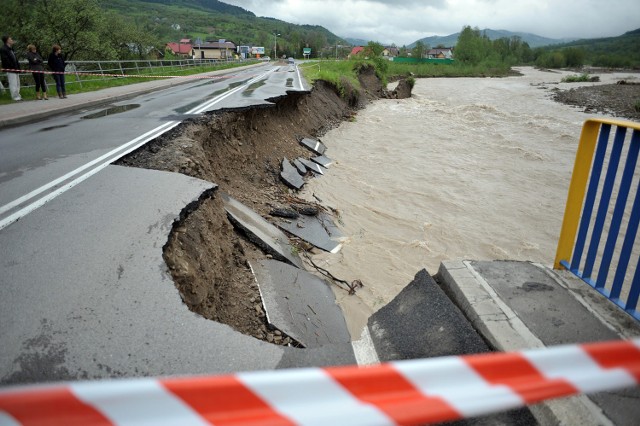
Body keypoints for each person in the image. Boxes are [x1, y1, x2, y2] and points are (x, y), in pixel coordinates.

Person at [0, 35, 22, 101]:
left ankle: (18, 96)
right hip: (10, 69)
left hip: (16, 68)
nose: (12, 40)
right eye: (10, 39)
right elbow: (5, 60)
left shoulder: (11, 49)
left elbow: (15, 59)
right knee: (13, 83)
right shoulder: (3, 49)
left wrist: (18, 67)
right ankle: (15, 97)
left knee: (18, 83)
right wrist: (11, 66)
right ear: (7, 41)